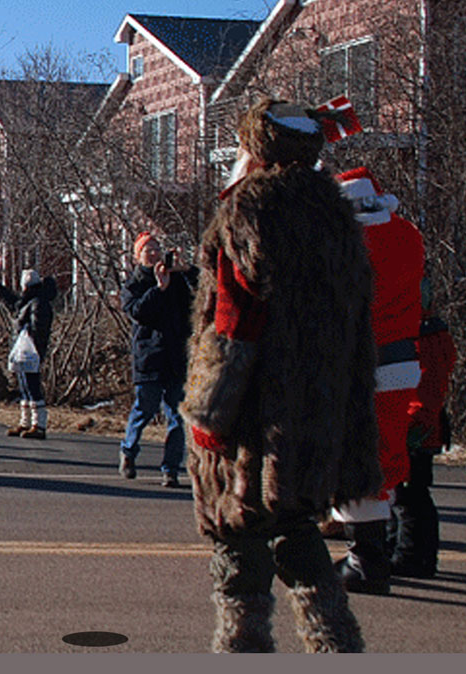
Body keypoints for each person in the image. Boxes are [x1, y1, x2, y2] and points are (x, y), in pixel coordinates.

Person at [181, 99, 380, 653]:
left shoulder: (248, 210)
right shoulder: (336, 216)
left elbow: (232, 323)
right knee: (296, 527)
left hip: (253, 413)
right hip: (320, 411)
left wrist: (208, 412)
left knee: (236, 532)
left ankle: (241, 648)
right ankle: (335, 644)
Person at [326, 166, 424, 596]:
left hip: (355, 362)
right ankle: (372, 553)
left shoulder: (341, 243)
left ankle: (366, 560)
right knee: (385, 455)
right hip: (403, 358)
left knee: (355, 459)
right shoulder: (408, 236)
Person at [389, 277, 457, 579]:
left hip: (417, 427)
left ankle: (414, 556)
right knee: (398, 495)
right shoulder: (426, 335)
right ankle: (397, 549)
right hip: (416, 423)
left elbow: (426, 388)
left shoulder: (424, 337)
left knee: (410, 496)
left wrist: (412, 423)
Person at [119, 231, 197, 488]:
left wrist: (187, 269)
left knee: (177, 416)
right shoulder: (134, 285)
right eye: (147, 250)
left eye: (156, 249)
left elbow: (201, 296)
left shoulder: (179, 281)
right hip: (149, 358)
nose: (153, 254)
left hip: (176, 358)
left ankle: (171, 469)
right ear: (137, 256)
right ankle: (128, 451)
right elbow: (139, 312)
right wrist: (158, 288)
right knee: (145, 409)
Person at [0, 269, 56, 438]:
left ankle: (39, 424)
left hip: (31, 351)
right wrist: (0, 290)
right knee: (24, 386)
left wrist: (33, 344)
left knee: (32, 385)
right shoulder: (31, 300)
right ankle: (25, 422)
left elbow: (38, 328)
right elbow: (15, 304)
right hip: (26, 351)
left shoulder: (37, 303)